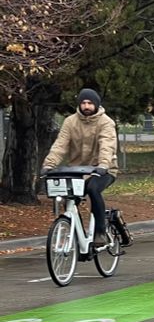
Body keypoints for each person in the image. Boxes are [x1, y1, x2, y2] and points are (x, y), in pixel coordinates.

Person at [40, 88, 119, 247]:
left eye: (90, 103)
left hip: (103, 169)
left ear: (96, 104)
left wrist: (103, 164)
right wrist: (49, 164)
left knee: (93, 189)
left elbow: (107, 145)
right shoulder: (70, 122)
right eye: (83, 103)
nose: (86, 106)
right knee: (69, 197)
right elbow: (60, 146)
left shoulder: (106, 122)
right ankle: (77, 236)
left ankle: (100, 231)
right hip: (78, 171)